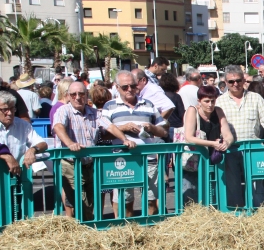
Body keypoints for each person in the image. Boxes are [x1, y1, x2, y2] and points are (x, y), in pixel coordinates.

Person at [53, 81, 134, 220]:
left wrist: (124, 139)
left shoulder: (94, 112)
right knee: (81, 202)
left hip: (90, 164)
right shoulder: (63, 110)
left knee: (90, 201)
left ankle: (85, 229)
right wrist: (70, 143)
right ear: (68, 96)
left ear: (86, 95)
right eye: (73, 94)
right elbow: (58, 127)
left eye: (81, 94)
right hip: (71, 164)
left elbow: (110, 127)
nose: (77, 97)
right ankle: (85, 231)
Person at [216, 65, 264, 208]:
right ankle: (236, 213)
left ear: (243, 80)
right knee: (233, 183)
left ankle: (258, 211)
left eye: (238, 80)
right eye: (231, 82)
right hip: (231, 150)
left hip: (254, 149)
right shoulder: (220, 101)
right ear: (226, 83)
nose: (235, 84)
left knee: (256, 184)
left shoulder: (255, 98)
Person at [104, 71, 170, 217]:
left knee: (151, 201)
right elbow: (103, 133)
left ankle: (149, 231)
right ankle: (129, 233)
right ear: (117, 87)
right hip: (122, 161)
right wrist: (123, 128)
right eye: (125, 87)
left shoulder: (148, 104)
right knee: (125, 202)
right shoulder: (109, 106)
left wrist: (152, 128)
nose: (130, 90)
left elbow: (164, 131)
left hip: (149, 159)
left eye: (133, 86)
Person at [182, 85, 234, 203]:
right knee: (191, 196)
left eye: (213, 101)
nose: (210, 104)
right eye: (206, 101)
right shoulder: (192, 110)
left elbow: (228, 134)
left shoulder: (218, 111)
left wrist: (227, 142)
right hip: (193, 160)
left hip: (212, 159)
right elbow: (189, 137)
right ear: (199, 101)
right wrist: (212, 144)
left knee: (213, 194)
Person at [0, 91, 47, 176]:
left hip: (17, 178)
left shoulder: (23, 125)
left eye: (12, 109)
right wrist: (6, 156)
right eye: (5, 110)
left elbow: (42, 143)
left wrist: (33, 150)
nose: (10, 113)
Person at [160, 72, 186, 141]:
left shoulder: (159, 97)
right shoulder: (176, 96)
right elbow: (182, 114)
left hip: (163, 126)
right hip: (176, 127)